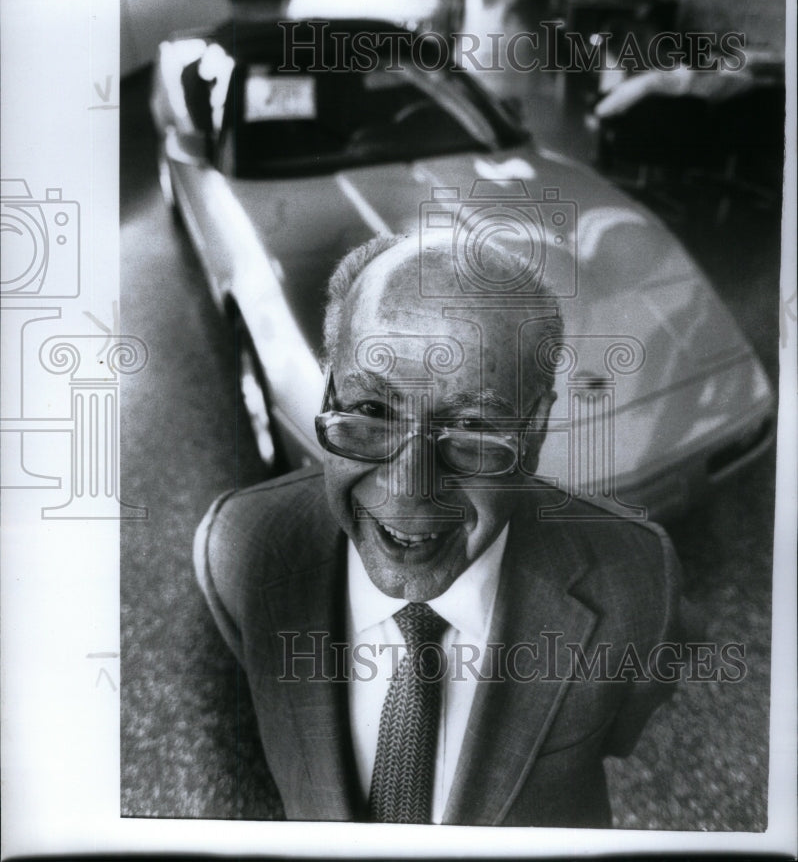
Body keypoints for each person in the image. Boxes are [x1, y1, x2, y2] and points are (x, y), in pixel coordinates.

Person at [194, 231, 682, 827]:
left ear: (534, 429)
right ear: (328, 390)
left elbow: (621, 729)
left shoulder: (637, 580)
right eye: (372, 410)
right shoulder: (238, 547)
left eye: (473, 424)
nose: (409, 487)